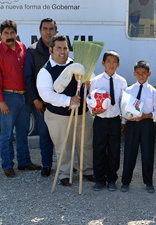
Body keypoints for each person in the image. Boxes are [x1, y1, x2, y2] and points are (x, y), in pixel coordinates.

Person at [37, 35, 95, 186]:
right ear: (51, 50)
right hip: (58, 116)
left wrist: (90, 83)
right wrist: (68, 101)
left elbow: (92, 81)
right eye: (58, 48)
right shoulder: (45, 71)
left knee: (87, 144)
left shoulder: (77, 65)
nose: (62, 51)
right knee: (63, 146)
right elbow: (46, 95)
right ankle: (65, 173)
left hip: (83, 114)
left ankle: (88, 170)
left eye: (65, 48)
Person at [0, 20, 42, 177]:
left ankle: (24, 162)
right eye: (6, 33)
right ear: (0, 34)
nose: (9, 36)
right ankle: (7, 165)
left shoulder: (22, 47)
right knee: (6, 134)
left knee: (23, 131)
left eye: (12, 33)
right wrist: (1, 101)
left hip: (24, 96)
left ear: (16, 33)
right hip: (8, 97)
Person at [121, 61, 156, 193]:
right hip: (132, 124)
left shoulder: (153, 92)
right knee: (129, 153)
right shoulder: (128, 90)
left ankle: (148, 183)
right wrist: (123, 122)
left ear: (149, 74)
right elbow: (123, 107)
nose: (141, 76)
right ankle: (125, 182)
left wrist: (145, 116)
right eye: (138, 73)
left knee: (147, 153)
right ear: (134, 74)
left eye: (144, 73)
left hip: (146, 124)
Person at [24, 18, 58, 177]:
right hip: (41, 102)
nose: (48, 32)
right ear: (40, 31)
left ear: (56, 31)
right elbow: (28, 77)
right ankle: (47, 165)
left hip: (59, 101)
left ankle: (64, 165)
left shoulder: (60, 48)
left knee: (61, 135)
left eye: (51, 29)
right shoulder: (32, 50)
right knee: (44, 134)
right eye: (45, 28)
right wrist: (36, 99)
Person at [90, 50, 127, 191]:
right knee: (99, 150)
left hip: (114, 121)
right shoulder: (96, 81)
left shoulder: (122, 81)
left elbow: (124, 103)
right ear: (103, 63)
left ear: (118, 65)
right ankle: (99, 179)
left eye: (114, 62)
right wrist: (93, 110)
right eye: (108, 62)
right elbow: (90, 99)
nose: (111, 65)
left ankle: (112, 179)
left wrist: (123, 121)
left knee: (114, 150)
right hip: (100, 120)